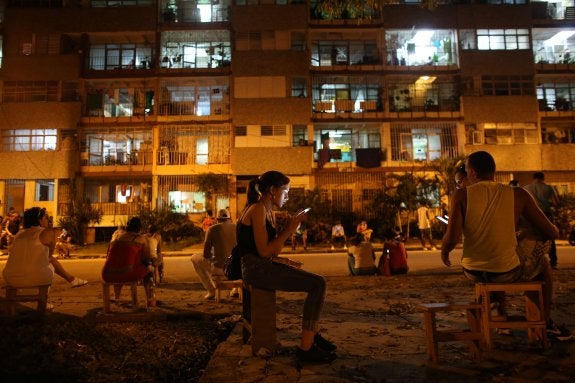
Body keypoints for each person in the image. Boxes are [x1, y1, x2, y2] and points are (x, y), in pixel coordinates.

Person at [441, 151, 563, 336]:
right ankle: (543, 321)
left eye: (466, 170)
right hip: (507, 271)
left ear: (472, 172)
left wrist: (444, 251)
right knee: (541, 264)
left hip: (473, 271)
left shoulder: (461, 195)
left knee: (498, 261)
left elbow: (452, 238)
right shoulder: (519, 194)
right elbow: (551, 232)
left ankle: (497, 309)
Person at [237, 170, 336, 363]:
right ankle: (306, 346)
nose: (288, 196)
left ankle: (312, 336)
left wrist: (282, 260)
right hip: (255, 270)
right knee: (318, 284)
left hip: (261, 267)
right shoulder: (257, 209)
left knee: (317, 282)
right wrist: (291, 228)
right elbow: (265, 252)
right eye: (285, 191)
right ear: (273, 190)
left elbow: (271, 252)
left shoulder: (266, 211)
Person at [2, 207, 88, 290]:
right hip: (37, 278)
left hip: (10, 278)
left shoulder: (19, 234)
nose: (48, 220)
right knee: (49, 262)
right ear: (39, 220)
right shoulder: (47, 232)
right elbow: (48, 257)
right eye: (45, 217)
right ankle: (44, 301)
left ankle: (72, 279)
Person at [104, 217, 156, 308]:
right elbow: (147, 257)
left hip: (107, 274)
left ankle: (117, 298)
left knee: (119, 266)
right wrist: (150, 265)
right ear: (139, 228)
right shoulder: (141, 238)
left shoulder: (116, 236)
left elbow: (108, 255)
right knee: (149, 270)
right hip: (127, 274)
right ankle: (150, 300)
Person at [191, 209, 237, 300]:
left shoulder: (212, 229)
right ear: (229, 218)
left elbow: (206, 254)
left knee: (194, 258)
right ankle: (235, 289)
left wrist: (214, 255)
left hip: (219, 269)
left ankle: (211, 290)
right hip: (235, 268)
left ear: (217, 219)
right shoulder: (237, 228)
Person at [523, 172, 560, 269]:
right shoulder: (549, 188)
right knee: (550, 237)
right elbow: (556, 202)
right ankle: (553, 262)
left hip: (530, 215)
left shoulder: (526, 188)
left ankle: (531, 262)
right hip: (546, 214)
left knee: (531, 238)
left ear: (533, 178)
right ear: (543, 178)